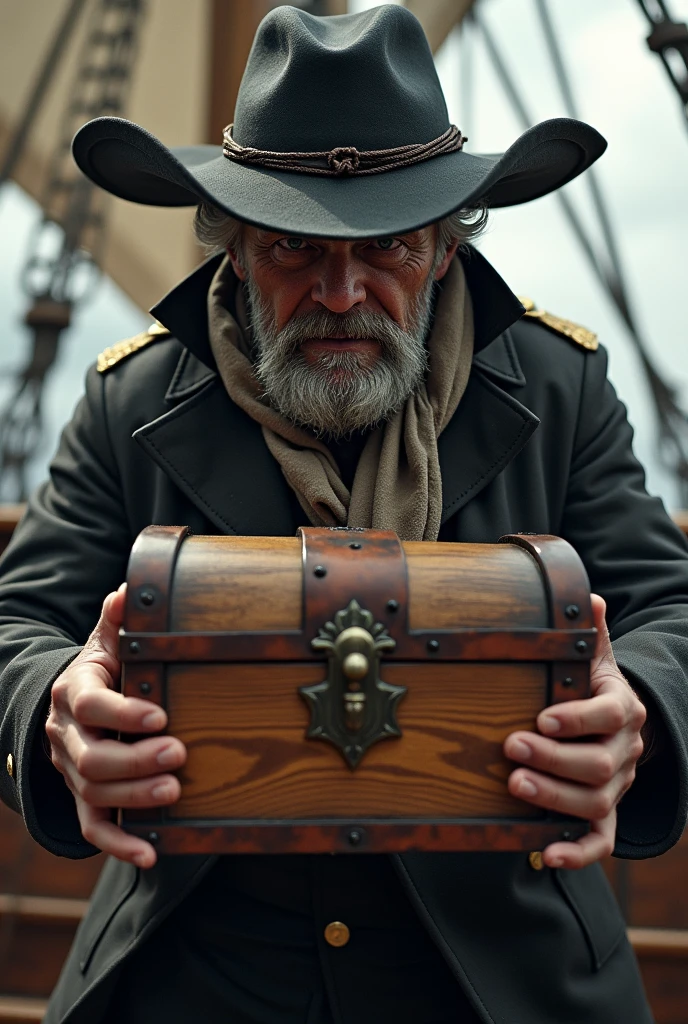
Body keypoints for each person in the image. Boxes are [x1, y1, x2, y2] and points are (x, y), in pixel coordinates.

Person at [1, 5, 686, 1023]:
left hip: (504, 971)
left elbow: (668, 610)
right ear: (231, 250)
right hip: (191, 963)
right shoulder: (132, 399)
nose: (339, 289)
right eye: (291, 248)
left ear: (446, 250)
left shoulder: (559, 387)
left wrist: (635, 707)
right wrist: (54, 704)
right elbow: (16, 624)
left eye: (389, 248)